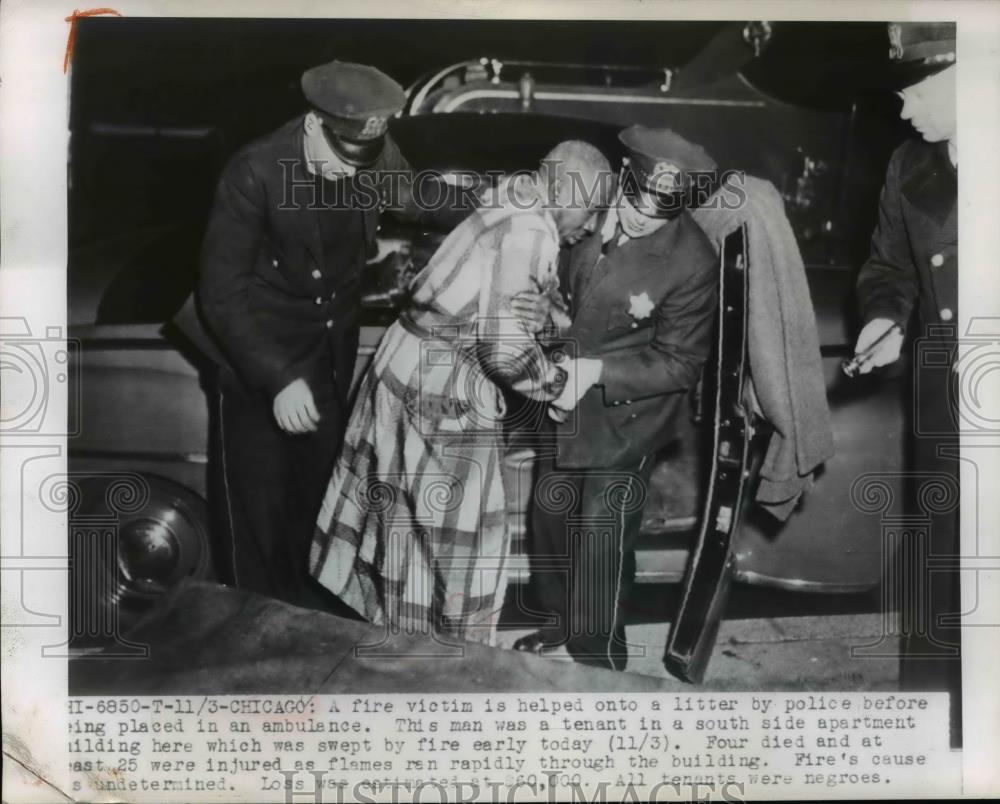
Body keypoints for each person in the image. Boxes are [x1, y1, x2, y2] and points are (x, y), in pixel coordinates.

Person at [309, 142, 612, 646]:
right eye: (593, 205)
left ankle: (401, 648)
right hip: (441, 387)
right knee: (466, 548)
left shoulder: (512, 197)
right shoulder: (531, 229)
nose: (593, 223)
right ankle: (457, 669)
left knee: (404, 531)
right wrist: (559, 385)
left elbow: (516, 304)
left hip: (404, 366)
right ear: (565, 189)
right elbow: (504, 349)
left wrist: (552, 321)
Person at [198, 61, 458, 610]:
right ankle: (254, 633)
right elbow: (221, 295)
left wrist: (507, 208)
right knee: (257, 512)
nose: (352, 172)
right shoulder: (256, 170)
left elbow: (423, 200)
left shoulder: (370, 153)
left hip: (325, 356)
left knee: (320, 502)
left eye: (362, 160)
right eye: (342, 160)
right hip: (258, 356)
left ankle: (312, 626)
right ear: (316, 126)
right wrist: (278, 379)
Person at [513, 126, 719, 670]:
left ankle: (600, 659)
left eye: (656, 215)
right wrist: (552, 319)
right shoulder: (588, 212)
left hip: (630, 416)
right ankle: (558, 622)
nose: (637, 218)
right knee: (550, 517)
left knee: (602, 538)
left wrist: (594, 370)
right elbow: (573, 296)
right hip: (565, 399)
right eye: (633, 201)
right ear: (624, 179)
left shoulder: (693, 262)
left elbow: (681, 363)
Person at [850, 23, 960, 742]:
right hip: (945, 406)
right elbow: (891, 269)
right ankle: (939, 734)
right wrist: (882, 321)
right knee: (942, 566)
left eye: (919, 87)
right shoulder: (908, 166)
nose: (903, 105)